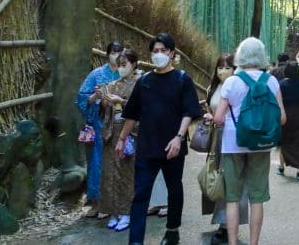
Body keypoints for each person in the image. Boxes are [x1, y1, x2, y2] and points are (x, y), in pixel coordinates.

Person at [118, 33, 204, 245]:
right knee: (140, 194)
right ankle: (135, 241)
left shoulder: (182, 79)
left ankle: (172, 231)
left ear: (172, 53)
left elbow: (188, 112)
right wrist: (121, 139)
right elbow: (132, 114)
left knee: (174, 189)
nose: (159, 54)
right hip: (147, 146)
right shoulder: (144, 81)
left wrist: (179, 138)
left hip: (173, 146)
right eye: (155, 51)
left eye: (163, 50)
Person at [214, 37, 287, 245]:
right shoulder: (271, 81)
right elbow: (282, 118)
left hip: (233, 144)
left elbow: (218, 118)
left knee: (232, 198)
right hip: (261, 145)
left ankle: (233, 242)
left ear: (240, 56)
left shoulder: (232, 81)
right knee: (257, 198)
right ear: (262, 56)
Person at [201, 54, 249, 244]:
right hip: (216, 138)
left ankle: (226, 225)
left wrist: (217, 118)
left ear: (235, 69)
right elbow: (212, 110)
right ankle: (223, 222)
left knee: (231, 181)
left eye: (227, 67)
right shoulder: (212, 88)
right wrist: (210, 117)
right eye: (220, 67)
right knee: (216, 178)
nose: (223, 71)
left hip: (233, 137)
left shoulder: (238, 86)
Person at [77, 40, 124, 216]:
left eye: (119, 52)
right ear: (107, 54)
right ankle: (96, 201)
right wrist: (95, 97)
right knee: (97, 162)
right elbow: (81, 99)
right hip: (98, 125)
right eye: (113, 52)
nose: (116, 56)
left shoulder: (125, 73)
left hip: (120, 124)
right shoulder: (96, 74)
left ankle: (118, 202)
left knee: (120, 161)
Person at [98, 49, 140, 231]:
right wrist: (103, 100)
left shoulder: (139, 85)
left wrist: (121, 101)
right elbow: (103, 109)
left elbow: (141, 108)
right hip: (111, 131)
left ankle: (127, 212)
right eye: (119, 65)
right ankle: (112, 211)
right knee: (109, 172)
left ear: (134, 64)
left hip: (129, 131)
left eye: (124, 65)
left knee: (126, 172)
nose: (121, 68)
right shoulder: (111, 84)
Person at [277, 61, 299, 179]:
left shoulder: (281, 84)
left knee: (284, 141)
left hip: (284, 114)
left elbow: (278, 101)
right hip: (298, 114)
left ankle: (281, 167)